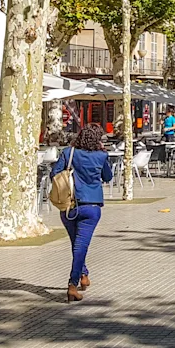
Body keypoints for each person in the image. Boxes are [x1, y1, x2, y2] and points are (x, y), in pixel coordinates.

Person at [52, 125, 113, 303]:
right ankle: (72, 285)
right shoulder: (101, 156)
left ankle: (83, 274)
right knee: (81, 246)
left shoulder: (68, 153)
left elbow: (54, 174)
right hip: (91, 207)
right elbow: (108, 177)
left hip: (69, 205)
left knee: (77, 244)